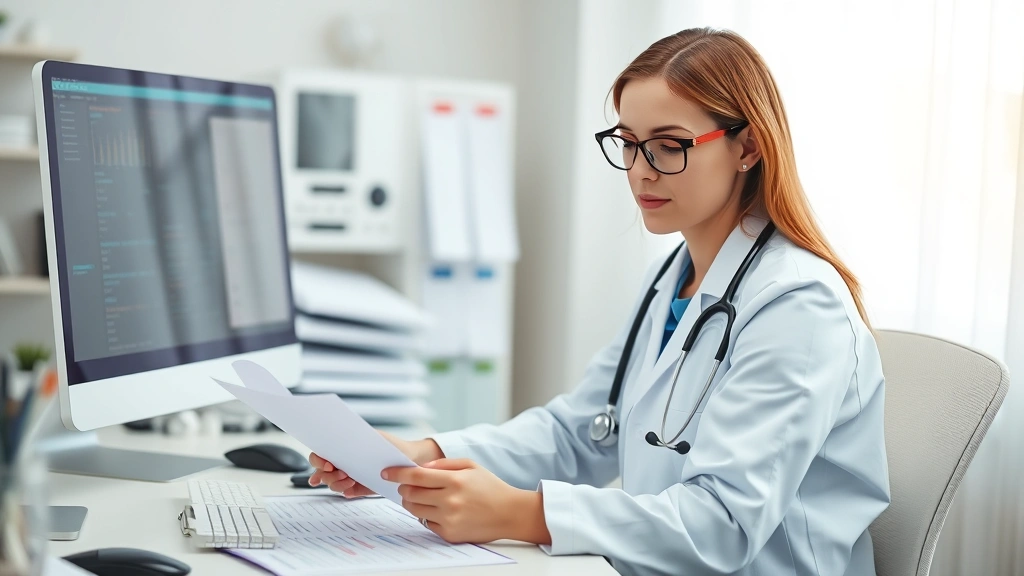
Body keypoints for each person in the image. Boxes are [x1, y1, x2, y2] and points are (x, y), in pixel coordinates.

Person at [309, 27, 889, 576]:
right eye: (629, 144)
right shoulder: (677, 277)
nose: (640, 172)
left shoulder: (798, 306)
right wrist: (421, 454)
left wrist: (522, 513)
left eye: (668, 146)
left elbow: (725, 524)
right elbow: (583, 431)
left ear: (748, 147)